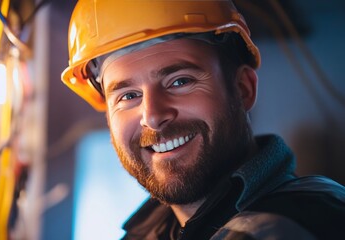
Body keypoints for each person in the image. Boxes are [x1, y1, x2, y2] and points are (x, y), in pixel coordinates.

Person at [61, 0, 345, 239]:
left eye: (179, 81)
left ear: (243, 89)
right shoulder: (152, 230)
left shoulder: (311, 218)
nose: (153, 116)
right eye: (127, 96)